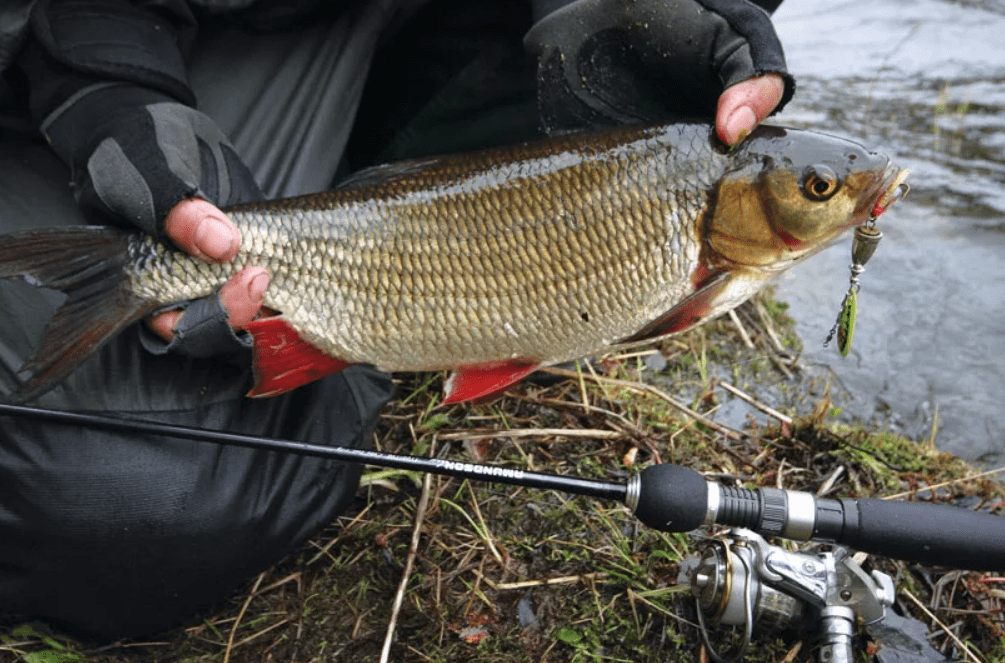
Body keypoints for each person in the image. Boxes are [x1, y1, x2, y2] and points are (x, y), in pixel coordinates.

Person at [0, 0, 792, 641]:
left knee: (663, 24)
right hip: (73, 53)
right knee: (127, 507)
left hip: (335, 29)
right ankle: (336, 308)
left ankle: (379, 280)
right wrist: (99, 88)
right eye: (821, 190)